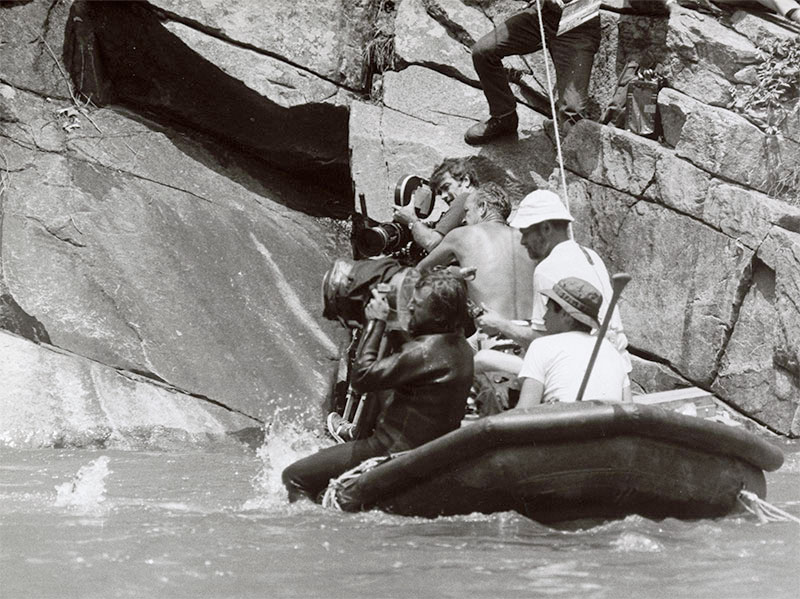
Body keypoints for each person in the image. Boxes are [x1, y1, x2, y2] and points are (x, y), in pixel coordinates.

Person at [282, 270, 474, 503]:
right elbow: (407, 357)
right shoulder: (460, 347)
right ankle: (355, 436)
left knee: (293, 476)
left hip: (390, 450)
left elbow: (362, 378)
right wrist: (394, 325)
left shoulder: (423, 352)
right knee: (385, 384)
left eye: (418, 304)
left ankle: (306, 526)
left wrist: (376, 323)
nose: (410, 306)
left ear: (438, 314)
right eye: (412, 299)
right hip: (426, 451)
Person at [475, 189, 631, 390]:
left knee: (482, 358)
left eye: (525, 233)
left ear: (546, 228)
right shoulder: (589, 255)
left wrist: (500, 324)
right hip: (617, 365)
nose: (522, 242)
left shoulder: (547, 269)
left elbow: (542, 343)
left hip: (579, 371)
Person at [465, 0, 602, 145]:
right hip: (542, 16)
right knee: (483, 52)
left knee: (571, 113)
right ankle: (504, 117)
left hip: (578, 25)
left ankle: (568, 153)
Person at [416, 182, 534, 322]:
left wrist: (451, 273)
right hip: (531, 333)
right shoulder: (527, 239)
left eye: (466, 211)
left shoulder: (462, 235)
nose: (464, 219)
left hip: (493, 333)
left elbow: (420, 270)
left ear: (482, 208)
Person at [516, 276, 629, 408]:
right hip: (611, 428)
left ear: (566, 315)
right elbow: (630, 409)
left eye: (549, 310)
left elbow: (524, 413)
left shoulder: (541, 346)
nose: (544, 317)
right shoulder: (612, 351)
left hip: (565, 427)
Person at [392, 157, 478, 251]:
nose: (443, 196)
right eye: (440, 192)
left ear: (466, 181)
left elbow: (430, 242)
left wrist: (411, 220)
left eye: (446, 187)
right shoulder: (481, 200)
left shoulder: (465, 199)